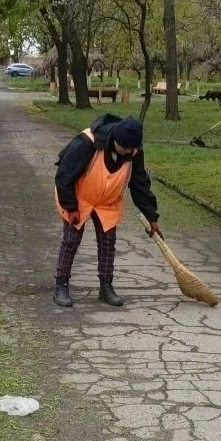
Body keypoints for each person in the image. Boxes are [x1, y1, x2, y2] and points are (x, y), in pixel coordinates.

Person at [53, 113, 162, 307]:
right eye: (124, 148)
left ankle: (106, 286)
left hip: (108, 202)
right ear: (114, 140)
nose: (127, 153)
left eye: (132, 149)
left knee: (107, 243)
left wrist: (151, 216)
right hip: (78, 197)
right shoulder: (87, 142)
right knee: (71, 241)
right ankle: (61, 285)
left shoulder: (134, 150)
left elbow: (139, 184)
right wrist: (71, 206)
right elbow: (63, 175)